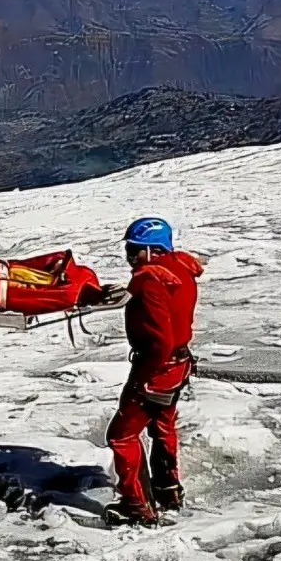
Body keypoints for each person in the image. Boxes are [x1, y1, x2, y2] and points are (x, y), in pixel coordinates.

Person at [104, 217, 204, 527]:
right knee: (163, 426)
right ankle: (167, 489)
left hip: (157, 368)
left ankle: (136, 506)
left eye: (134, 250)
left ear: (151, 250)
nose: (130, 257)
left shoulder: (150, 281)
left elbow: (161, 339)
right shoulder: (181, 269)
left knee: (121, 435)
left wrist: (145, 376)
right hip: (179, 364)